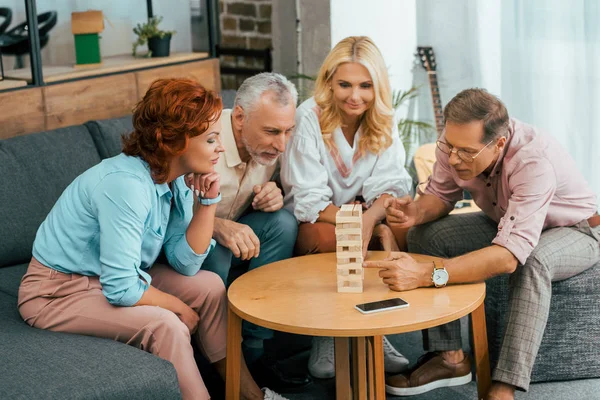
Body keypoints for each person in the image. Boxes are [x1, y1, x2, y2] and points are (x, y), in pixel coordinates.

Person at [17, 78, 289, 400]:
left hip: (108, 278)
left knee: (211, 287)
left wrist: (207, 204)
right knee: (167, 324)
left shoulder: (175, 180)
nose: (220, 147)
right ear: (176, 142)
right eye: (212, 139)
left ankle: (246, 394)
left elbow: (185, 264)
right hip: (58, 292)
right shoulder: (127, 185)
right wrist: (179, 308)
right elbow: (121, 288)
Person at [366, 88, 600, 399]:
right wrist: (413, 214)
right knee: (426, 235)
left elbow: (508, 258)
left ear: (499, 143)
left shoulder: (533, 161)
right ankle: (449, 358)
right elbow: (439, 197)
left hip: (576, 230)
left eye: (464, 152)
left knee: (534, 261)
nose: (453, 158)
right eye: (448, 145)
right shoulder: (455, 144)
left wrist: (425, 275)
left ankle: (504, 387)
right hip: (506, 220)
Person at [281, 36, 413, 380]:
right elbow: (307, 199)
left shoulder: (384, 117)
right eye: (344, 85)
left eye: (365, 86)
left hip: (365, 211)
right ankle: (327, 333)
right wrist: (363, 221)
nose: (355, 96)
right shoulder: (308, 118)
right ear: (329, 82)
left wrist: (375, 218)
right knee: (331, 238)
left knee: (404, 228)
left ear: (377, 86)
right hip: (321, 220)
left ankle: (376, 330)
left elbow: (391, 185)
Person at [199, 73, 309, 389]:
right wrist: (216, 226)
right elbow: (166, 213)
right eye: (272, 132)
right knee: (218, 254)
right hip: (188, 242)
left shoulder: (266, 147)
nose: (282, 144)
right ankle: (218, 361)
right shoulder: (203, 139)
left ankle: (255, 352)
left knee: (283, 223)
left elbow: (248, 201)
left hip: (231, 233)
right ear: (238, 118)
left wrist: (270, 193)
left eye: (288, 131)